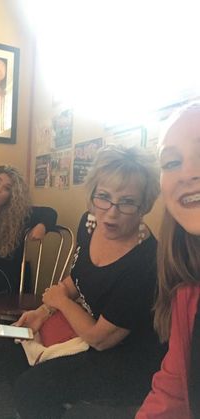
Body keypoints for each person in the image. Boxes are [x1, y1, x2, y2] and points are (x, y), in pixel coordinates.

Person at [14, 145, 166, 419]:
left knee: (32, 388)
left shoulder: (145, 263)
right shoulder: (89, 223)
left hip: (129, 361)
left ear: (145, 204)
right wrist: (43, 311)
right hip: (93, 335)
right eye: (104, 197)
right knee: (17, 358)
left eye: (127, 202)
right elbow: (78, 277)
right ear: (93, 195)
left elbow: (100, 339)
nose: (111, 212)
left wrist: (58, 300)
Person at [134, 102, 200, 419]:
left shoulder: (140, 258)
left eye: (126, 201)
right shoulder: (187, 294)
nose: (188, 172)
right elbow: (172, 392)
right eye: (172, 162)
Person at [0, 164, 57, 363]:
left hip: (1, 276)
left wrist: (42, 225)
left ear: (11, 196)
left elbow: (50, 212)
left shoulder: (18, 215)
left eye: (6, 188)